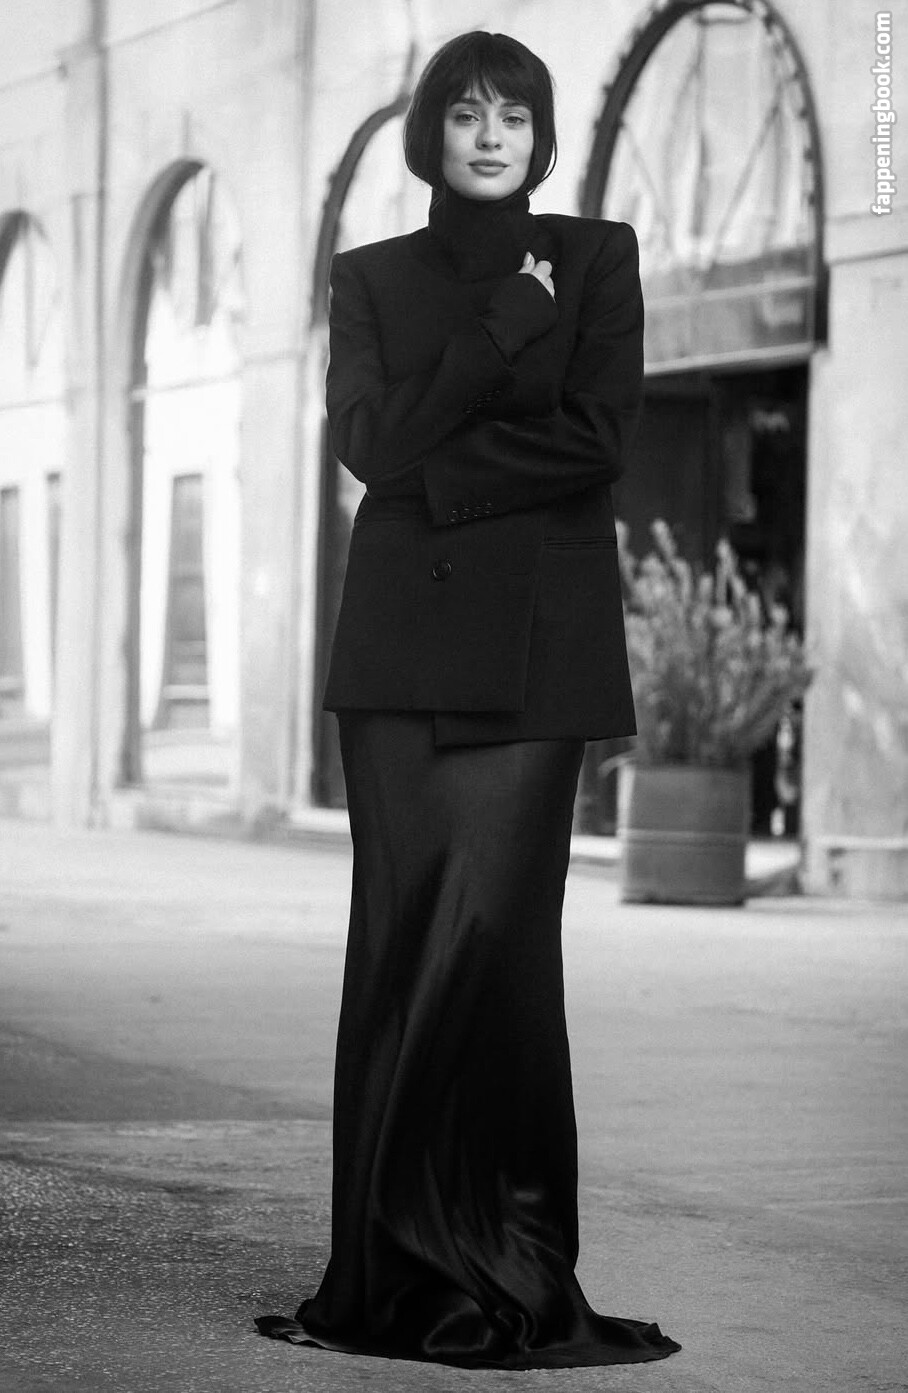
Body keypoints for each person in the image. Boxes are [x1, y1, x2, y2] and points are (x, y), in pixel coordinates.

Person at [255, 30, 682, 1370]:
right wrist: (500, 334)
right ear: (430, 133)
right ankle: (386, 1269)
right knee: (398, 949)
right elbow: (365, 441)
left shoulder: (596, 259)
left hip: (537, 653)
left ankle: (508, 1251)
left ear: (543, 139)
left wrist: (436, 477)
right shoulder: (371, 275)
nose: (491, 136)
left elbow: (599, 440)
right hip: (399, 657)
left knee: (497, 949)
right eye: (466, 113)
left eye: (515, 116)